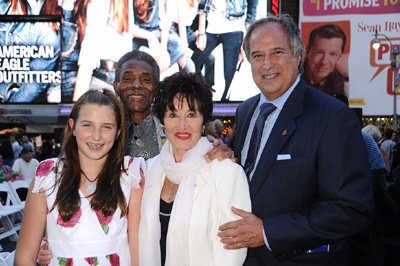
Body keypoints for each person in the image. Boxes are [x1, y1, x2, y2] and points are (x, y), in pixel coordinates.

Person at [217, 14, 373, 265]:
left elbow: (351, 208)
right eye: (258, 55)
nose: (266, 64)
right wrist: (224, 159)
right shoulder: (245, 111)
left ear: (298, 56)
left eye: (277, 52)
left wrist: (267, 232)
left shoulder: (332, 116)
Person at [15, 89, 145, 266]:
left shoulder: (131, 173)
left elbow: (137, 250)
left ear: (118, 132)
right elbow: (25, 257)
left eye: (106, 126)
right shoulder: (47, 175)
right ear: (72, 127)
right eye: (87, 125)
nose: (96, 136)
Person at [139, 71, 251, 265]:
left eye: (191, 114)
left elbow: (232, 251)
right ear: (162, 119)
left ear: (203, 119)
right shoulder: (149, 170)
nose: (182, 125)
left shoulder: (227, 172)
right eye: (173, 114)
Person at [192, 0, 258, 102]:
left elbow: (252, 10)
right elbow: (202, 6)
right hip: (211, 28)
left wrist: (246, 41)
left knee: (229, 71)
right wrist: (201, 33)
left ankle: (224, 102)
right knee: (194, 60)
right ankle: (200, 92)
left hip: (234, 29)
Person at [301, 24, 349, 98]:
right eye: (319, 52)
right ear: (307, 51)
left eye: (333, 54)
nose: (324, 61)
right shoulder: (293, 75)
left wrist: (347, 76)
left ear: (341, 56)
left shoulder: (342, 78)